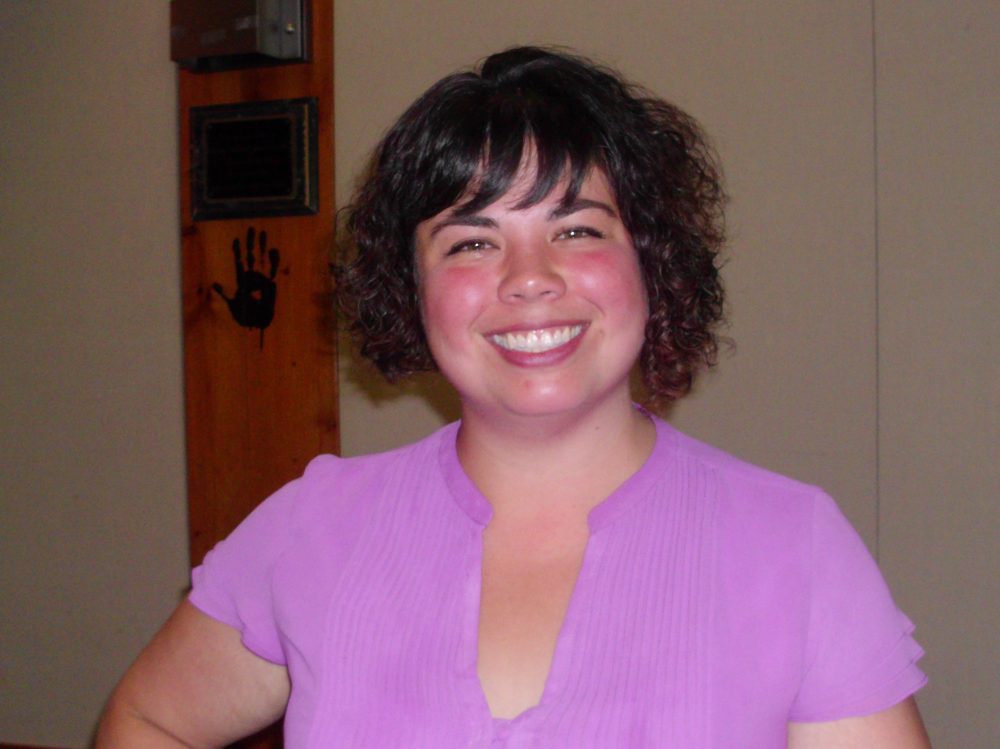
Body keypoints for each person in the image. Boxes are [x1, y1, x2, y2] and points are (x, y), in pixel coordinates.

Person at [96, 47, 930, 747]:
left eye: (577, 229)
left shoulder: (794, 550)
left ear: (650, 259)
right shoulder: (311, 530)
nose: (529, 278)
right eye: (471, 242)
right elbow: (146, 720)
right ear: (411, 288)